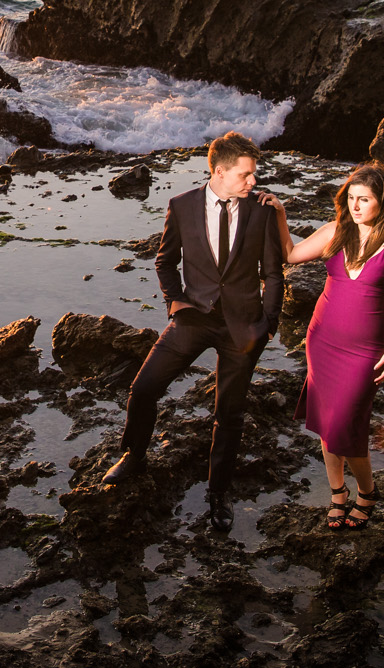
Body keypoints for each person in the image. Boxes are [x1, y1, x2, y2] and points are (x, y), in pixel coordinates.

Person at [103, 131, 284, 532]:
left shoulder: (262, 210)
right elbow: (164, 261)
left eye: (253, 174)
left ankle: (219, 494)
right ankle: (134, 456)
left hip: (243, 327)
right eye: (246, 174)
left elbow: (273, 273)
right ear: (220, 172)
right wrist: (175, 302)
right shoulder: (182, 206)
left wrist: (268, 324)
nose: (253, 181)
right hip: (193, 318)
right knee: (145, 387)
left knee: (229, 414)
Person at [271, 160, 384, 531]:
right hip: (323, 340)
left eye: (363, 199)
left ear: (382, 201)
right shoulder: (336, 232)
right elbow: (289, 253)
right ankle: (338, 493)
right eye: (351, 197)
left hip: (367, 348)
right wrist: (281, 213)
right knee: (326, 423)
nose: (355, 206)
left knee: (347, 424)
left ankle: (366, 492)